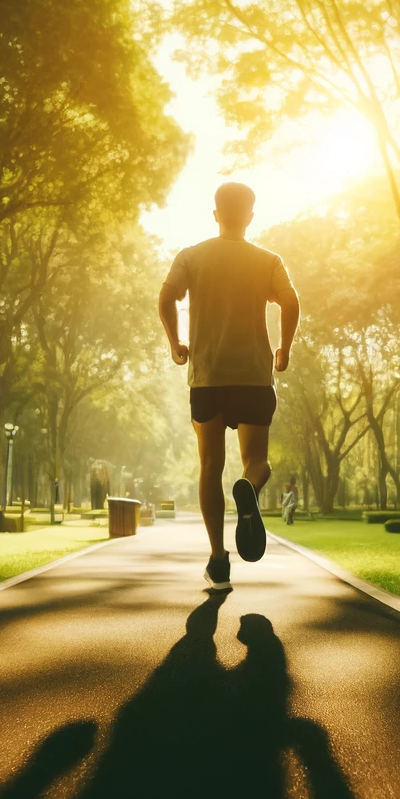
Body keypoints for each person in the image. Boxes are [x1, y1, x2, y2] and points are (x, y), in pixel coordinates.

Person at [158, 182, 299, 591]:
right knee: (257, 461)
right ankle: (250, 488)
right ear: (250, 216)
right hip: (254, 376)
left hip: (208, 378)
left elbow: (165, 298)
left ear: (216, 214)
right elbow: (290, 302)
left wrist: (175, 343)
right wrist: (283, 348)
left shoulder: (191, 256)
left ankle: (218, 561)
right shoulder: (267, 260)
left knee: (209, 468)